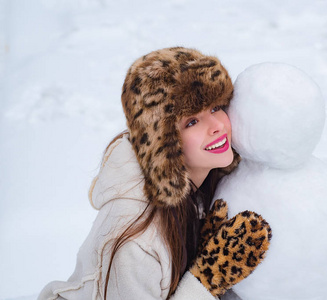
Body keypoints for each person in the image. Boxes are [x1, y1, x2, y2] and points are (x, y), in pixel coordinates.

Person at [38, 47, 272, 300]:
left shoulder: (203, 184)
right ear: (164, 144)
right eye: (192, 121)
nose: (217, 126)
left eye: (216, 107)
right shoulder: (136, 242)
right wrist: (206, 281)